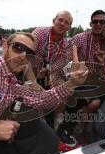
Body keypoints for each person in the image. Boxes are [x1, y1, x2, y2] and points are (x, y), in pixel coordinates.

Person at [32, 11, 77, 146]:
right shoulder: (40, 33)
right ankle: (42, 128)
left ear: (69, 28)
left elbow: (62, 67)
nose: (63, 24)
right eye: (60, 20)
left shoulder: (67, 45)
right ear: (53, 20)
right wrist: (34, 75)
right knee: (35, 90)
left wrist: (51, 74)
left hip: (49, 75)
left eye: (67, 22)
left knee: (66, 87)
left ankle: (58, 124)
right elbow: (26, 55)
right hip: (30, 72)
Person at [70, 10, 105, 137]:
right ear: (90, 24)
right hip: (82, 79)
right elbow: (68, 51)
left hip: (100, 80)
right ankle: (80, 124)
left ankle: (101, 126)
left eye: (102, 22)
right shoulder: (80, 38)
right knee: (95, 103)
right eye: (95, 21)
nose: (98, 24)